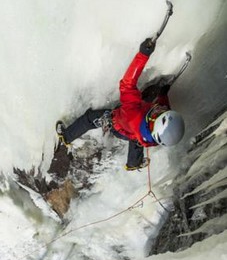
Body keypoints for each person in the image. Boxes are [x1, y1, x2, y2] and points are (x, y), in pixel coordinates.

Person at [56, 38, 185, 171]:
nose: (160, 108)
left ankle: (66, 136)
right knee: (138, 140)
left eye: (159, 112)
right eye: (163, 111)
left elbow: (127, 84)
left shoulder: (133, 114)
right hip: (135, 131)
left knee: (89, 118)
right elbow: (163, 107)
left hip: (117, 124)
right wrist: (163, 95)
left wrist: (143, 55)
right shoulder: (158, 134)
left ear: (153, 123)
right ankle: (133, 163)